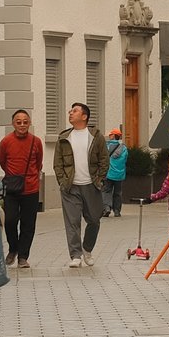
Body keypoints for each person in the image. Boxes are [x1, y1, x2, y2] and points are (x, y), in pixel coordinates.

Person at [52, 103, 105, 267]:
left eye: (74, 111)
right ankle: (75, 255)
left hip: (91, 185)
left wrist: (100, 179)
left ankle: (87, 249)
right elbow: (57, 163)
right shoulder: (64, 138)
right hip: (70, 187)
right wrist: (62, 181)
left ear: (84, 116)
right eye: (70, 110)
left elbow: (104, 160)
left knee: (94, 220)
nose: (70, 113)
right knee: (72, 222)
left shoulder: (96, 136)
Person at [0, 109, 42, 268]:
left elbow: (38, 162)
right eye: (18, 122)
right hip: (12, 188)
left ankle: (23, 256)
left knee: (28, 224)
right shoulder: (6, 141)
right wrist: (13, 175)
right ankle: (13, 248)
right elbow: (2, 161)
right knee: (9, 220)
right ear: (13, 123)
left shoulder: (36, 141)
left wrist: (31, 176)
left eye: (25, 122)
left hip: (31, 188)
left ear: (29, 123)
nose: (22, 125)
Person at [102, 128, 128, 217]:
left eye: (110, 134)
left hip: (108, 174)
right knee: (118, 193)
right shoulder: (123, 148)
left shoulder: (106, 146)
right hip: (119, 175)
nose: (109, 136)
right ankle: (117, 210)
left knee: (106, 191)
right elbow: (125, 160)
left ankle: (107, 208)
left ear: (113, 136)